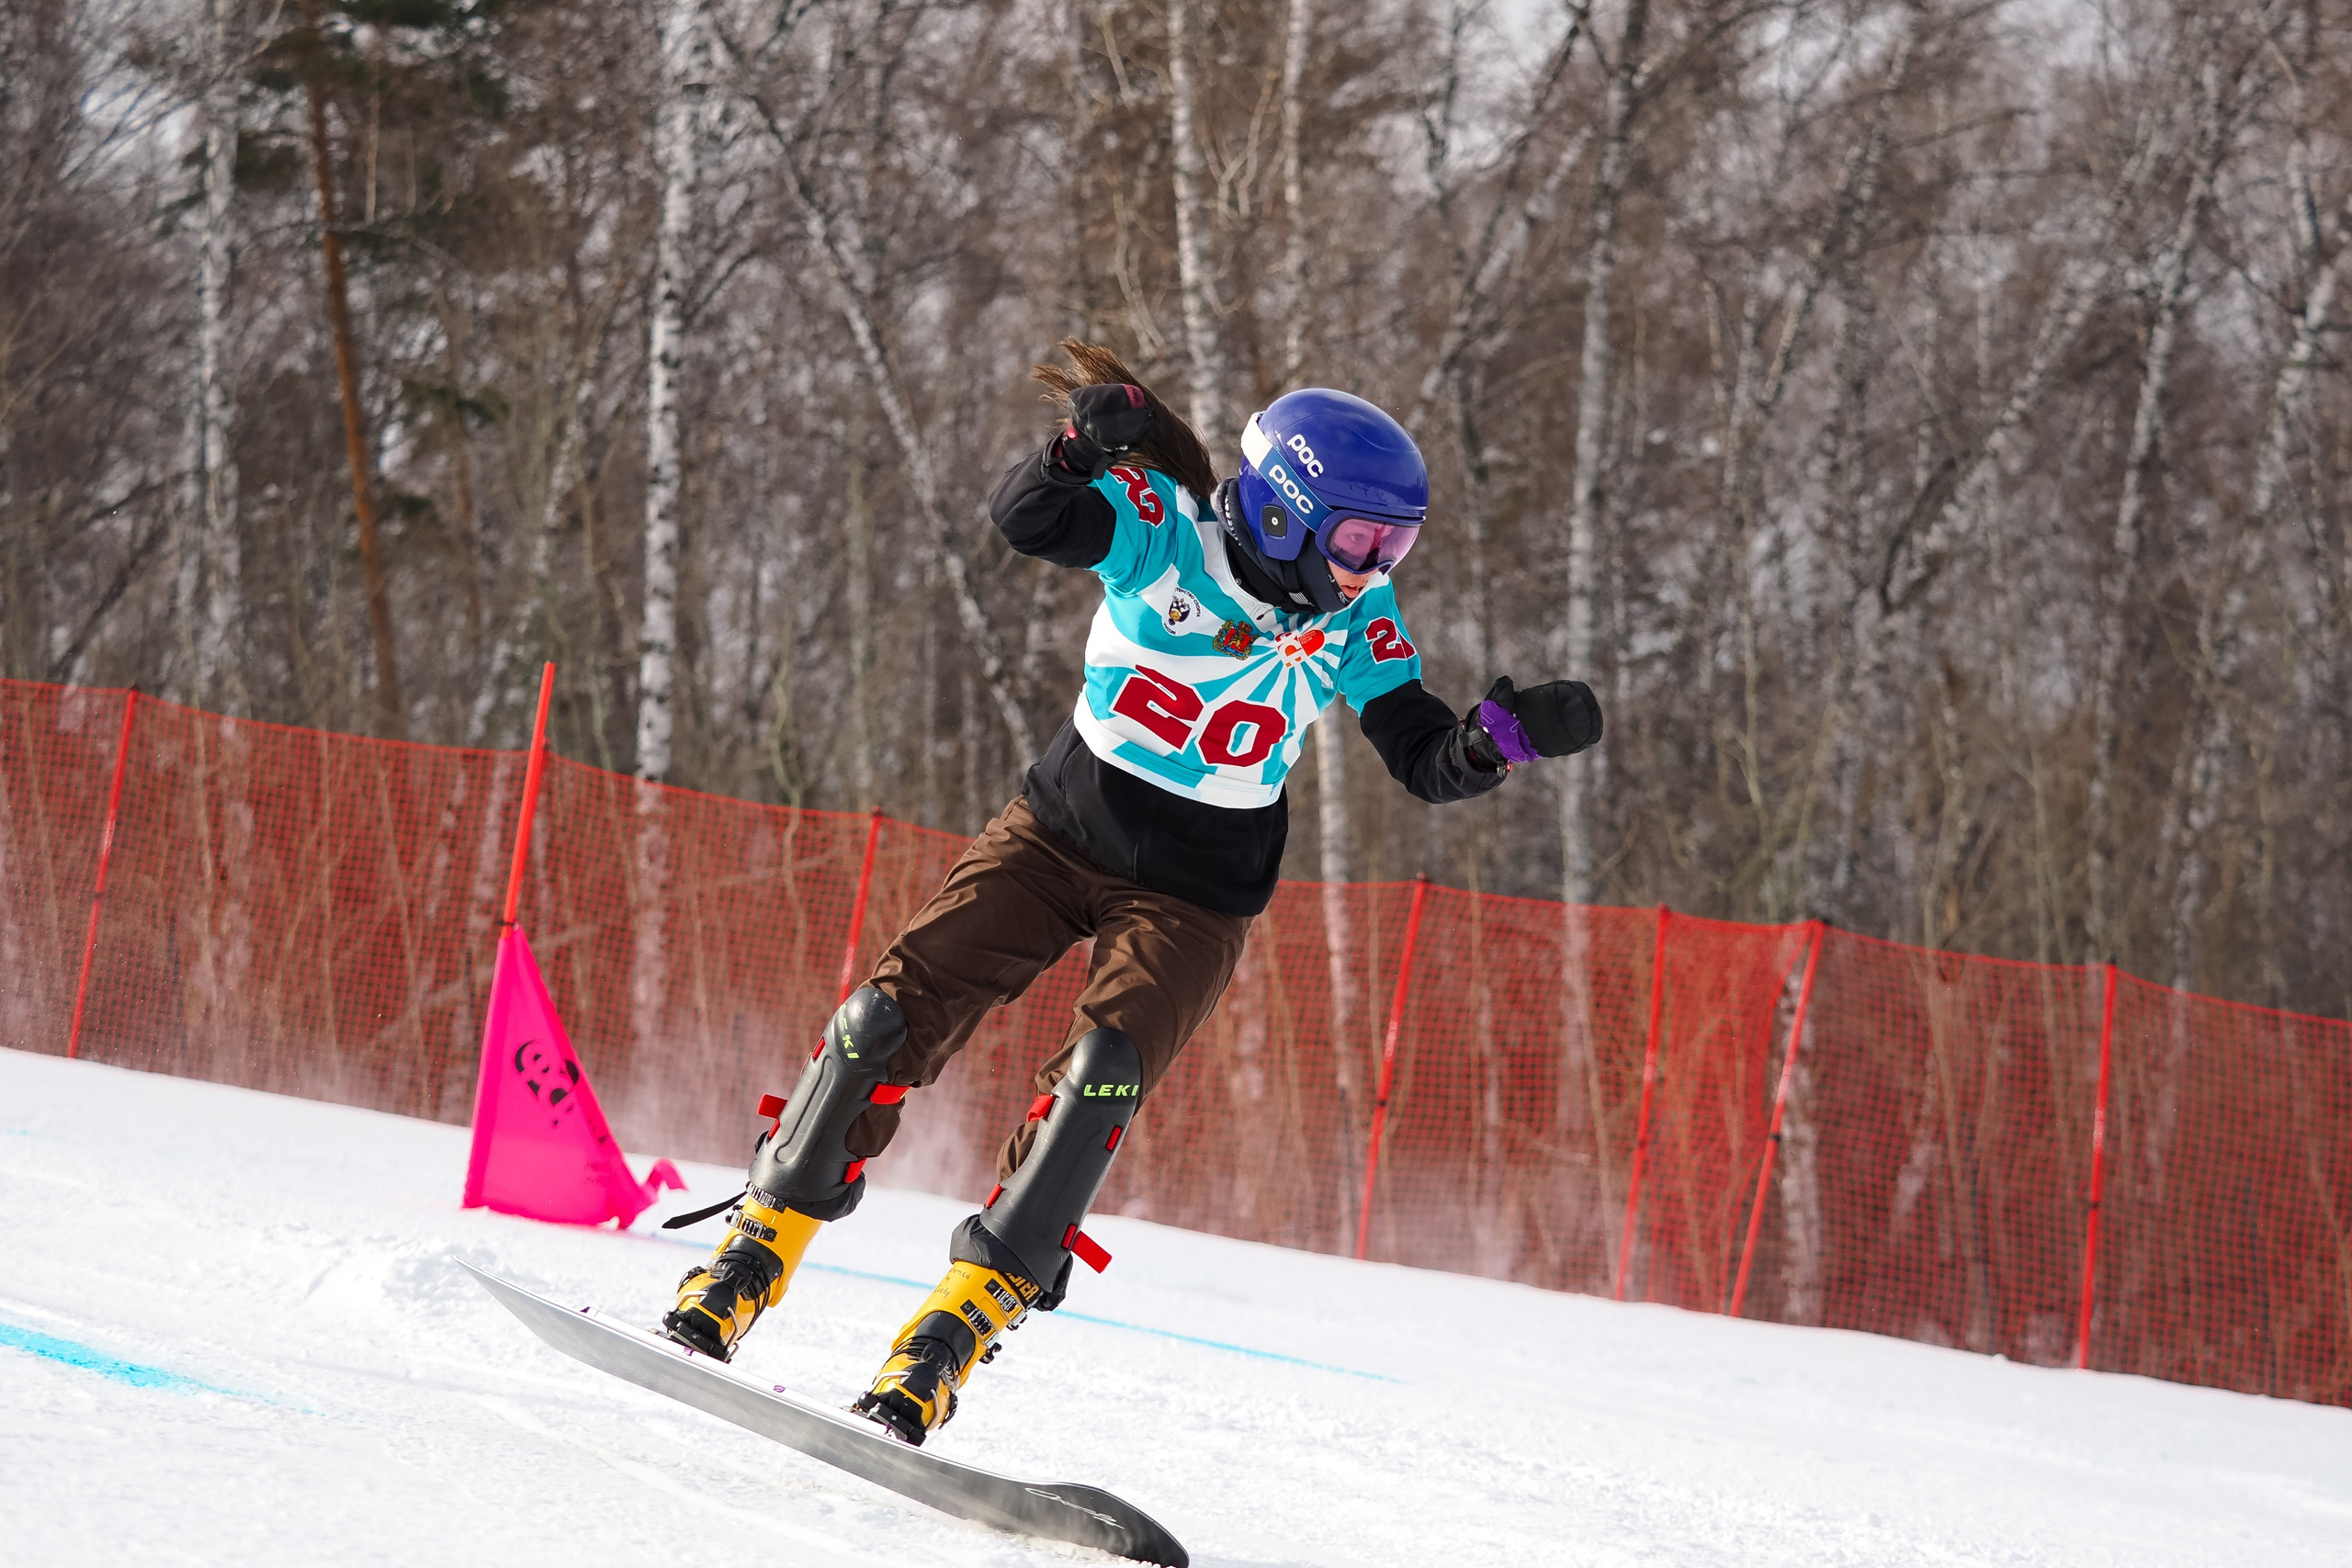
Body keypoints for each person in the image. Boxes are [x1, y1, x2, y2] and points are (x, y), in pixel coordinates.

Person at [662, 340, 1601, 1445]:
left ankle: (950, 1334)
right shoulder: (1164, 536)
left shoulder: (1358, 619)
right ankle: (756, 1250)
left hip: (1197, 894)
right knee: (883, 1018)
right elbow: (1027, 519)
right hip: (1059, 835)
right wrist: (1070, 453)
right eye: (1360, 540)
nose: (1373, 567)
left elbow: (1419, 754)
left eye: (1396, 545)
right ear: (1288, 513)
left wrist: (1493, 741)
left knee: (1100, 1079)